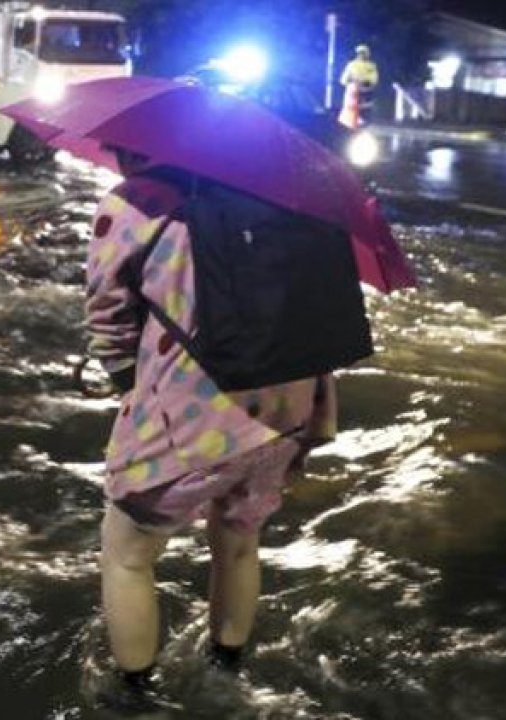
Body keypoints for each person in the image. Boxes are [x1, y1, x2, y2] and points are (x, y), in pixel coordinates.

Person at [86, 149, 337, 707]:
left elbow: (107, 312)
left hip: (191, 415)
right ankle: (225, 674)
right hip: (284, 407)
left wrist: (128, 381)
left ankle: (137, 698)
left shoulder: (136, 201)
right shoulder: (282, 197)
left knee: (126, 553)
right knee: (240, 539)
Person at [339, 44, 379, 128]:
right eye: (360, 53)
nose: (361, 55)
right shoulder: (351, 65)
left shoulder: (371, 66)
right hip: (352, 94)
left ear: (367, 54)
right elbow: (343, 80)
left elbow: (374, 79)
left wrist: (363, 81)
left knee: (364, 115)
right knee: (350, 115)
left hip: (365, 93)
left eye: (363, 53)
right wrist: (352, 82)